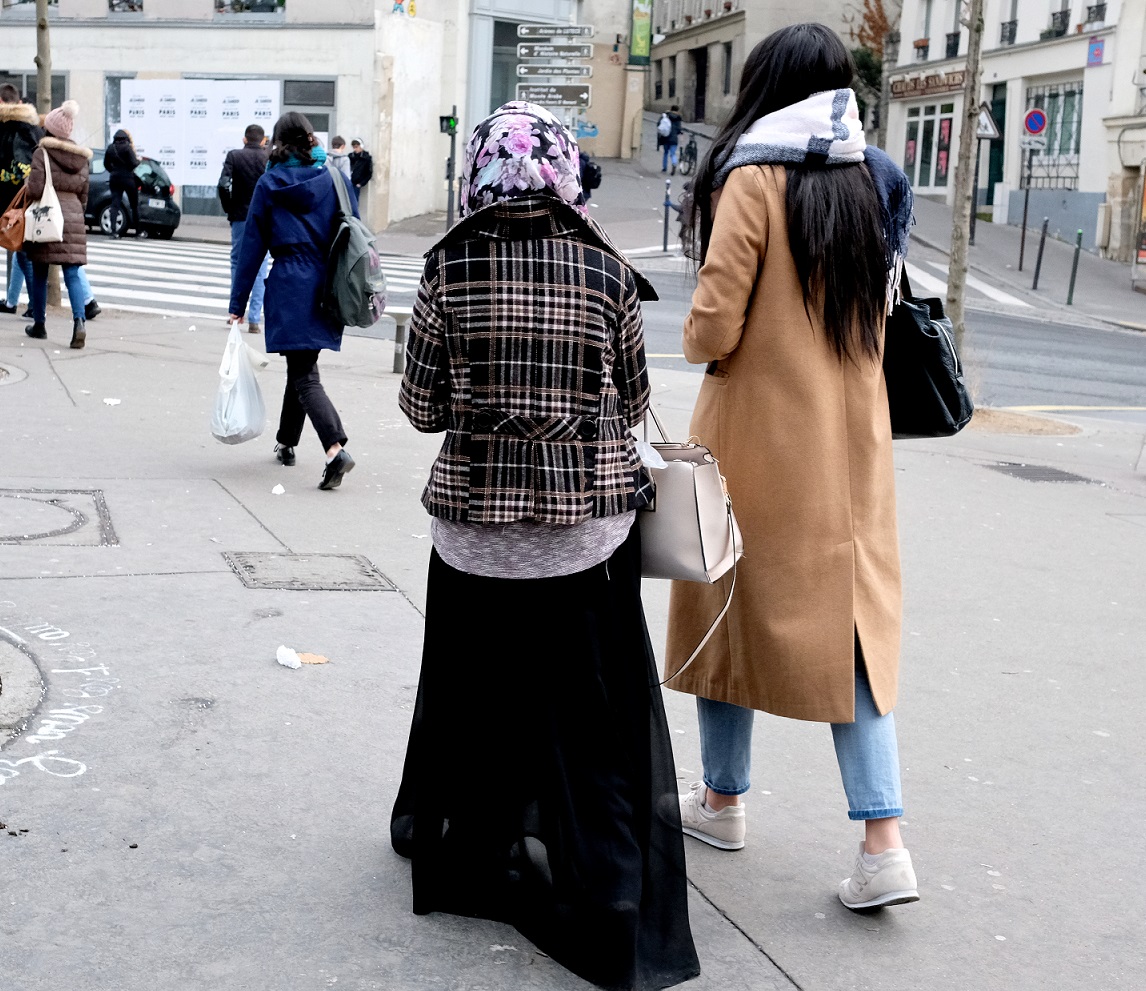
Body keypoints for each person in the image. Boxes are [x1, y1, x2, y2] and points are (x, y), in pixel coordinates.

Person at [390, 102, 699, 991]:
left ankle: (473, 854)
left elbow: (419, 410)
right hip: (584, 546)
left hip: (473, 543)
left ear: (481, 173)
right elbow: (635, 400)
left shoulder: (449, 264)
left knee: (474, 702)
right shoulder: (608, 270)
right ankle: (604, 891)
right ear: (564, 169)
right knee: (588, 726)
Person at [667, 23, 919, 912]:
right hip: (854, 441)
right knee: (854, 622)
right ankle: (883, 840)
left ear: (767, 85)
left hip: (757, 434)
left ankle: (723, 797)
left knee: (725, 597)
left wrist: (708, 336)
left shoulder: (750, 176)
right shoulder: (874, 178)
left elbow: (712, 322)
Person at [227, 112, 356, 491]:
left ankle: (335, 448)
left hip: (289, 282)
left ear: (278, 143)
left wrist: (238, 302)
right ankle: (287, 441)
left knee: (303, 372)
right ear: (311, 139)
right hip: (327, 284)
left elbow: (251, 248)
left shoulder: (270, 184)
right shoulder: (335, 178)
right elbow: (355, 228)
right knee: (301, 361)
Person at [23, 100, 92, 349]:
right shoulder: (81, 158)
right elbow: (85, 195)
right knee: (72, 272)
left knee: (41, 270)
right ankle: (79, 322)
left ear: (49, 128)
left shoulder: (41, 153)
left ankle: (40, 324)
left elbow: (35, 189)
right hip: (73, 217)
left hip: (49, 216)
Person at [219, 124, 271, 334]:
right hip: (264, 217)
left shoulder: (234, 156)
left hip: (240, 215)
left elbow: (223, 184)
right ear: (262, 140)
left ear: (244, 139)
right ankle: (254, 319)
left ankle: (235, 314)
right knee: (260, 267)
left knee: (237, 263)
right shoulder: (268, 158)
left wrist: (229, 208)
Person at [0, 85, 41, 318]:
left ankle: (37, 306)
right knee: (23, 254)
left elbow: (15, 167)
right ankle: (26, 303)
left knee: (24, 255)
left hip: (12, 203)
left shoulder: (11, 130)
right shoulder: (34, 129)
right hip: (27, 202)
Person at [103, 129, 140, 238]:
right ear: (125, 138)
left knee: (115, 204)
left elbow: (106, 164)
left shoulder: (111, 148)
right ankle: (138, 231)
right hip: (128, 178)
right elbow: (133, 163)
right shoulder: (127, 148)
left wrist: (113, 171)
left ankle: (113, 231)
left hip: (114, 178)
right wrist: (139, 161)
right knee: (134, 205)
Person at [347, 138, 372, 205]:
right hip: (349, 181)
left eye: (356, 147)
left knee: (354, 202)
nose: (355, 149)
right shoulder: (350, 156)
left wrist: (361, 183)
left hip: (357, 183)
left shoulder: (366, 158)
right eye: (354, 147)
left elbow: (369, 173)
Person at [660, 105, 683, 175]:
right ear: (677, 110)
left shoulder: (666, 115)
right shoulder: (678, 118)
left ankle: (664, 168)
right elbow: (679, 130)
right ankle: (674, 163)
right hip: (674, 139)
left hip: (666, 137)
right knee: (673, 153)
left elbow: (659, 124)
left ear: (671, 109)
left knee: (665, 153)